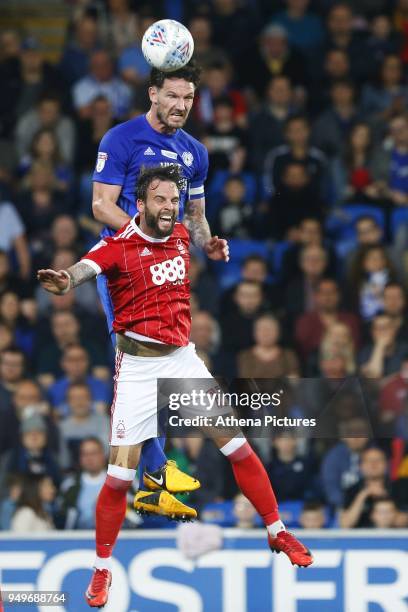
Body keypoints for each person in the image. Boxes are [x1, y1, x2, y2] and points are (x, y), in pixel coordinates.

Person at [38, 164, 313, 608]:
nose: (169, 207)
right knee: (118, 479)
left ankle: (278, 531)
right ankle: (102, 569)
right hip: (138, 370)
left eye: (174, 200)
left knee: (238, 448)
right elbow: (85, 269)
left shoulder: (183, 235)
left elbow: (199, 230)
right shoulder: (118, 246)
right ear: (141, 203)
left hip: (182, 359)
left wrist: (211, 242)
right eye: (161, 200)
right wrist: (65, 280)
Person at [90, 61, 230, 518]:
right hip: (125, 271)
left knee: (165, 371)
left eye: (188, 98)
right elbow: (101, 205)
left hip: (167, 273)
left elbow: (195, 215)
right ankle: (156, 473)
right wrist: (148, 239)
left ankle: (154, 483)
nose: (180, 106)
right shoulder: (121, 139)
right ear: (153, 94)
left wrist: (208, 240)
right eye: (172, 96)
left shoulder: (195, 152)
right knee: (137, 367)